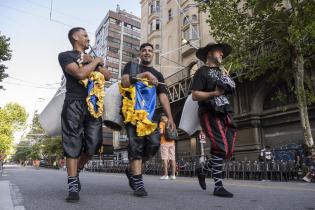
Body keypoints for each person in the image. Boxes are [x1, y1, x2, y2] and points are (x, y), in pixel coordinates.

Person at [58, 27, 111, 202]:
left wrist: (95, 61)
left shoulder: (92, 59)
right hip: (74, 103)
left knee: (94, 144)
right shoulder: (65, 55)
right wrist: (95, 60)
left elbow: (108, 76)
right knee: (72, 143)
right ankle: (72, 185)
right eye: (85, 35)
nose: (88, 38)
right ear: (75, 37)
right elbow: (80, 74)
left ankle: (78, 169)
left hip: (93, 105)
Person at [120, 43, 176, 197]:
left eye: (150, 51)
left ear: (153, 54)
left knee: (153, 145)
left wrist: (170, 117)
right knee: (136, 147)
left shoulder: (158, 74)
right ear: (140, 53)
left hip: (150, 117)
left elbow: (163, 96)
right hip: (132, 114)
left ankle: (131, 169)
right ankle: (138, 183)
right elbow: (124, 82)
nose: (147, 52)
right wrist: (144, 76)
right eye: (144, 50)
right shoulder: (132, 67)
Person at [191, 42, 236, 198]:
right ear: (210, 53)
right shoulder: (201, 72)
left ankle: (202, 170)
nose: (222, 54)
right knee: (220, 147)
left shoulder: (222, 72)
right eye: (219, 51)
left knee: (228, 149)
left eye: (222, 53)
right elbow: (195, 95)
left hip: (225, 111)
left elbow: (229, 90)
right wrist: (214, 94)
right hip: (209, 112)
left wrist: (227, 82)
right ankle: (218, 186)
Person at [159, 115, 176, 180]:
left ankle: (166, 175)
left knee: (165, 158)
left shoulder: (161, 123)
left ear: (161, 119)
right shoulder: (172, 123)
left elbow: (161, 132)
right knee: (172, 158)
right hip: (172, 142)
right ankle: (173, 175)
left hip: (164, 142)